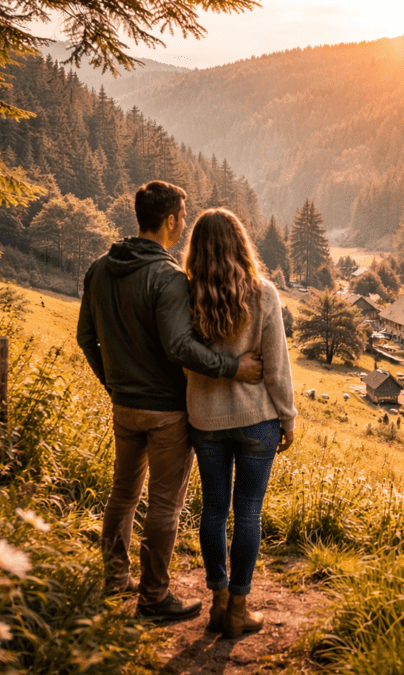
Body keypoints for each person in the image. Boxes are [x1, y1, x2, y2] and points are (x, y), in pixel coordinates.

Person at [76, 181, 263, 622]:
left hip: (125, 405)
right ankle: (155, 597)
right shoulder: (167, 277)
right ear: (171, 221)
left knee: (122, 493)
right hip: (166, 410)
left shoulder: (100, 268)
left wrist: (113, 384)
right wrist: (232, 367)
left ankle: (115, 578)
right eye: (181, 216)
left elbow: (86, 336)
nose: (182, 223)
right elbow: (180, 346)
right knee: (164, 504)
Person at [183, 208, 296, 639]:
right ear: (241, 244)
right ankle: (239, 610)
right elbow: (276, 366)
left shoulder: (186, 294)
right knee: (248, 511)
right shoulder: (263, 293)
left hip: (206, 419)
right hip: (257, 420)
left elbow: (181, 353)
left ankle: (216, 603)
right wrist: (287, 417)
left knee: (213, 510)